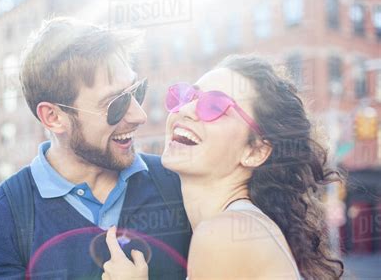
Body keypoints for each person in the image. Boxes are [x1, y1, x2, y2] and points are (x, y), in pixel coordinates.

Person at [0, 17, 192, 279]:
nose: (139, 115)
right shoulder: (0, 218)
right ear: (53, 117)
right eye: (116, 104)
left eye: (136, 92)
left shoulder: (178, 183)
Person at [102, 55, 344, 279]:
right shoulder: (240, 226)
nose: (186, 110)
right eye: (187, 97)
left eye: (215, 106)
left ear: (255, 151)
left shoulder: (224, 235)